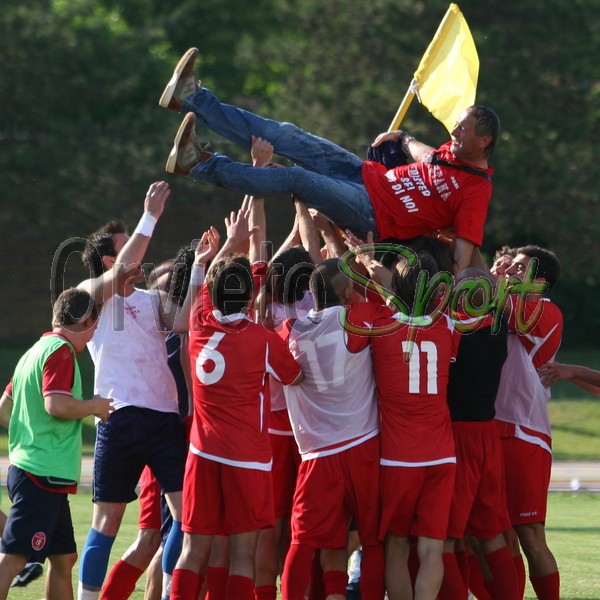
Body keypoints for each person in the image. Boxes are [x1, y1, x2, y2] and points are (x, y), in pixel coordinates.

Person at [159, 47, 499, 272]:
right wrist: (404, 138)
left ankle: (199, 164)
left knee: (298, 179)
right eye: (455, 127)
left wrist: (450, 294)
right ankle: (192, 98)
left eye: (463, 131)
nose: (454, 133)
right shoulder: (450, 153)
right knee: (289, 136)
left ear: (484, 141)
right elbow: (427, 156)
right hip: (365, 174)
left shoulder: (477, 191)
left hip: (372, 215)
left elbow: (463, 255)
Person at [170, 209, 303, 600]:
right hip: (248, 456)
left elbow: (208, 287)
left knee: (193, 550)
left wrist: (220, 249)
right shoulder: (262, 338)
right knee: (243, 554)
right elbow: (295, 376)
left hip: (203, 452)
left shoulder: (198, 323)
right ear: (250, 296)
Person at [76, 182, 190, 600]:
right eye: (125, 249)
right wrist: (150, 216)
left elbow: (182, 321)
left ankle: (169, 594)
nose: (137, 258)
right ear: (109, 260)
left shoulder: (150, 299)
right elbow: (121, 267)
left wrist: (200, 267)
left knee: (186, 517)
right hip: (120, 417)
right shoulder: (91, 297)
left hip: (162, 418)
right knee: (105, 521)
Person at [279, 258, 387, 600]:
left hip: (316, 453)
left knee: (303, 540)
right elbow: (390, 305)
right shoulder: (357, 317)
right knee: (371, 540)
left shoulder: (288, 329)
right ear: (347, 291)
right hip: (362, 446)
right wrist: (369, 275)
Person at [0, 289, 113, 600]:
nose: (94, 333)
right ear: (85, 320)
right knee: (14, 558)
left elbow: (3, 408)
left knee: (64, 558)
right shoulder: (60, 352)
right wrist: (95, 406)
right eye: (95, 324)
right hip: (43, 473)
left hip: (39, 471)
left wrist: (29, 434)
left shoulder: (34, 351)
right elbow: (56, 406)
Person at [438, 268, 519, 600]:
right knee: (491, 534)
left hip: (457, 437)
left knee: (443, 537)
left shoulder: (451, 331)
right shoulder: (499, 326)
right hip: (488, 435)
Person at [495, 245, 563, 600]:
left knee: (530, 535)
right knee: (501, 535)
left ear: (539, 282)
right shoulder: (501, 303)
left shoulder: (546, 311)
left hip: (525, 432)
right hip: (494, 429)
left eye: (520, 268)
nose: (511, 270)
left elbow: (503, 300)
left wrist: (493, 276)